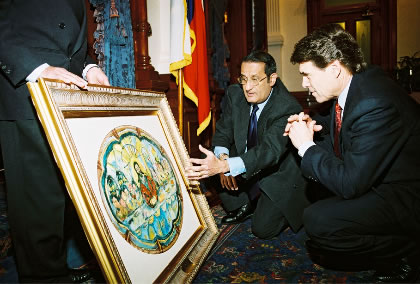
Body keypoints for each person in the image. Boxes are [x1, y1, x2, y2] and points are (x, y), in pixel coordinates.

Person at [284, 23, 420, 282]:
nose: (303, 84)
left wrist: (305, 146)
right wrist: (312, 137)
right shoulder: (359, 82)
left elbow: (350, 183)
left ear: (335, 69)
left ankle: (407, 250)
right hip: (386, 181)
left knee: (318, 222)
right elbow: (348, 148)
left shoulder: (373, 103)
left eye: (307, 74)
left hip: (409, 195)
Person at [0, 0, 110, 282]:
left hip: (68, 97)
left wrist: (88, 69)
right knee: (37, 205)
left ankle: (55, 268)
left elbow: (72, 40)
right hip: (27, 93)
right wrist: (35, 68)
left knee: (64, 197)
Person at [186, 51, 308, 239]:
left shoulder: (287, 107)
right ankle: (244, 203)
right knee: (206, 159)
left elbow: (269, 152)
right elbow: (223, 132)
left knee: (262, 229)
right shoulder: (235, 94)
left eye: (255, 79)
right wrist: (222, 159)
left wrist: (226, 166)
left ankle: (284, 204)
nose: (248, 87)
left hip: (276, 172)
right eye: (243, 79)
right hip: (247, 163)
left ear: (272, 79)